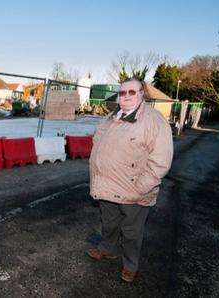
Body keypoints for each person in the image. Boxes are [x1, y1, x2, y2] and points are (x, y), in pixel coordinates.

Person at [87, 78, 173, 282]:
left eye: (131, 92)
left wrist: (141, 187)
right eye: (122, 92)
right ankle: (108, 248)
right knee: (108, 223)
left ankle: (130, 265)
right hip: (107, 186)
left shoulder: (154, 121)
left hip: (134, 191)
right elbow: (98, 144)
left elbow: (161, 161)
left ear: (142, 94)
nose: (125, 96)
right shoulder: (110, 117)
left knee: (132, 232)